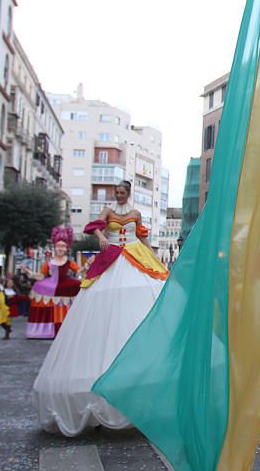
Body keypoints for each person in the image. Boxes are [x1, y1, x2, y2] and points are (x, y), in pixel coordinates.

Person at [32, 180, 169, 436]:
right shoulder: (108, 211)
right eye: (116, 192)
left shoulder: (136, 213)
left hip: (136, 255)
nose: (118, 195)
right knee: (103, 301)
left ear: (128, 193)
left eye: (121, 192)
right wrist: (102, 237)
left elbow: (141, 237)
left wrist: (155, 259)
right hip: (114, 253)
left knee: (142, 299)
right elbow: (93, 226)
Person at [20, 226, 83, 339]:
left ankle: (68, 329)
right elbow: (40, 276)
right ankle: (45, 330)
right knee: (38, 287)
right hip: (50, 285)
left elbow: (79, 271)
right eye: (58, 246)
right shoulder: (48, 263)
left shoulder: (69, 262)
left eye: (63, 246)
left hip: (66, 285)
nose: (60, 248)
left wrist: (88, 266)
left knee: (78, 286)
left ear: (67, 248)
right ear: (54, 247)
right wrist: (29, 272)